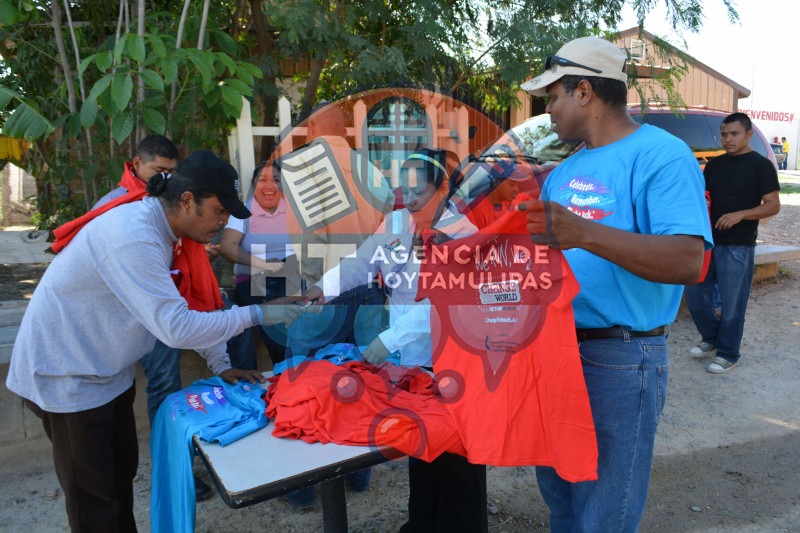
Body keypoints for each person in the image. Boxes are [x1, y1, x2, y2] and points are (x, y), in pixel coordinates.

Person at [6, 150, 300, 532]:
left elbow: (194, 301)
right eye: (219, 211)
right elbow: (176, 327)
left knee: (120, 478)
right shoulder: (133, 235)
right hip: (66, 377)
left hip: (108, 371)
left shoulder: (175, 233)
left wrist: (222, 365)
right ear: (187, 200)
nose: (224, 221)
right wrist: (263, 313)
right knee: (95, 501)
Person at [518, 36, 712, 531]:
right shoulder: (563, 172)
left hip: (620, 359)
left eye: (553, 96)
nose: (548, 110)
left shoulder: (663, 156)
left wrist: (581, 231)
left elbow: (689, 260)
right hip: (555, 352)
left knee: (603, 513)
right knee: (561, 500)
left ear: (584, 91)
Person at [303, 149, 485, 532]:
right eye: (406, 186)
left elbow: (447, 304)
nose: (411, 195)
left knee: (458, 454)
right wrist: (324, 287)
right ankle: (422, 523)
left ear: (441, 188)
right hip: (412, 362)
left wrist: (390, 337)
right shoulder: (396, 223)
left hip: (453, 359)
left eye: (420, 188)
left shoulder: (462, 233)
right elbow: (362, 262)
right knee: (420, 444)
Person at [685, 113, 780, 373]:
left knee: (732, 301)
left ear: (749, 135)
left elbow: (773, 205)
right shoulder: (715, 165)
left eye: (734, 134)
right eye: (724, 134)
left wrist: (740, 215)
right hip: (708, 241)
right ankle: (712, 339)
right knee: (695, 292)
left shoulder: (761, 166)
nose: (728, 139)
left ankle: (728, 353)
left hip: (738, 244)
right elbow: (706, 196)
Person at [220, 161, 300, 366]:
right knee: (278, 325)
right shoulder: (243, 212)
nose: (270, 185)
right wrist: (262, 263)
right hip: (256, 276)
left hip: (292, 273)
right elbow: (228, 247)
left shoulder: (296, 210)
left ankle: (292, 368)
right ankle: (285, 367)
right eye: (262, 180)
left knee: (302, 316)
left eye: (276, 180)